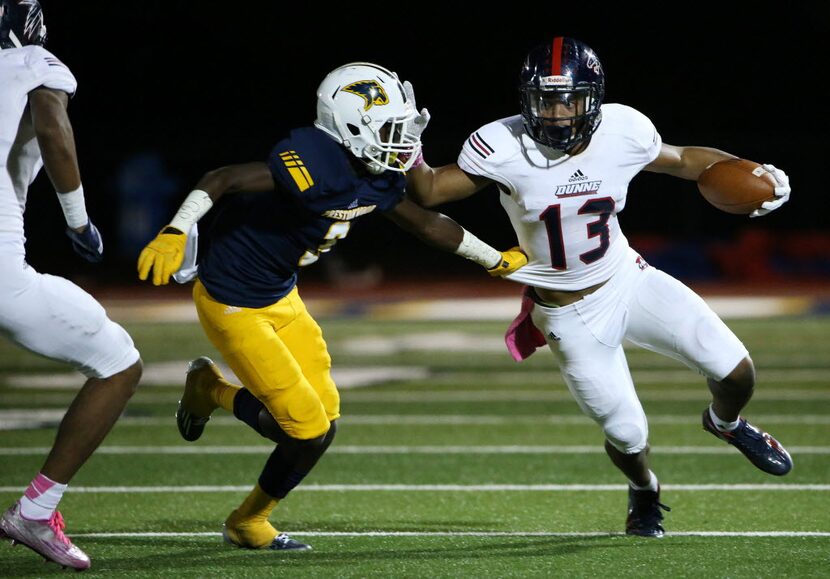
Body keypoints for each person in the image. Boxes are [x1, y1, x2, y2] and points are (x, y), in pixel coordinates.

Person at [404, 37, 793, 538]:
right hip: (567, 312)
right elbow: (431, 190)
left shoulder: (624, 128)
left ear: (595, 96)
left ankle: (725, 423)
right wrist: (411, 152)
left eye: (570, 99)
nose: (559, 112)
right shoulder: (501, 144)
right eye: (546, 99)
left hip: (627, 279)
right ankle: (645, 490)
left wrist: (752, 172)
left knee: (738, 372)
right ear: (526, 99)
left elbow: (686, 160)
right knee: (628, 434)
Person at [136, 61, 525, 551]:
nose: (401, 141)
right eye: (389, 129)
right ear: (350, 126)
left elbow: (424, 224)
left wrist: (493, 259)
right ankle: (222, 434)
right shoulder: (312, 160)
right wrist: (176, 229)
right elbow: (223, 178)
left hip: (282, 294)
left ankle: (242, 500)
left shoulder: (378, 174)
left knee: (322, 424)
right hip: (232, 301)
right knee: (304, 428)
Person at [0, 0, 143, 570]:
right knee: (118, 363)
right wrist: (78, 218)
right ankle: (37, 510)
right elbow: (53, 126)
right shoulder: (29, 61)